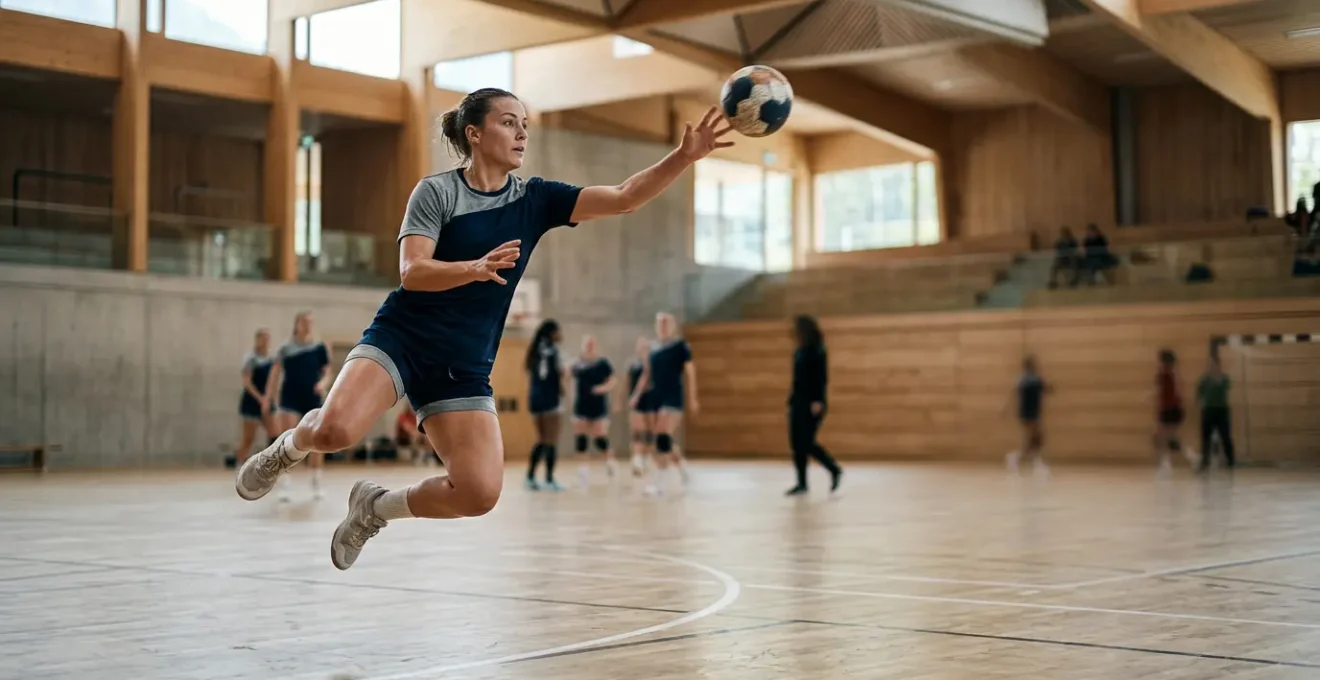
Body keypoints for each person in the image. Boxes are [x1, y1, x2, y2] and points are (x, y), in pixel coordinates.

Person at [235, 87, 735, 571]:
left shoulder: (536, 199)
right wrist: (472, 269)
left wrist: (683, 157)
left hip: (464, 363)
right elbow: (413, 271)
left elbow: (625, 197)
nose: (521, 134)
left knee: (479, 493)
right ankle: (285, 450)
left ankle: (374, 509)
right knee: (333, 430)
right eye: (508, 122)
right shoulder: (436, 192)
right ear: (474, 134)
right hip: (403, 338)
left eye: (525, 125)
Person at [265, 311, 331, 501]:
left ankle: (316, 481)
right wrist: (268, 398)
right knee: (289, 441)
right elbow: (274, 374)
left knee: (317, 440)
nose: (307, 325)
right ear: (297, 324)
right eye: (304, 322)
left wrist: (323, 384)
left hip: (312, 397)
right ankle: (285, 484)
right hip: (290, 398)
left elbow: (327, 372)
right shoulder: (285, 348)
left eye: (310, 322)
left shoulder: (319, 348)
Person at [631, 312, 698, 496]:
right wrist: (637, 395)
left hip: (673, 397)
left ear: (673, 326)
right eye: (660, 323)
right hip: (656, 397)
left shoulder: (680, 347)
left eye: (666, 323)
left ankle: (660, 483)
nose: (663, 326)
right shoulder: (653, 348)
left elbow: (690, 372)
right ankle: (683, 468)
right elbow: (647, 373)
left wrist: (692, 397)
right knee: (664, 439)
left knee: (661, 436)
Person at [784, 315, 842, 496]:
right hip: (798, 401)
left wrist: (818, 400)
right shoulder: (799, 350)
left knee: (806, 442)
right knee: (796, 443)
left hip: (812, 402)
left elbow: (821, 378)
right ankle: (801, 483)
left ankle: (833, 468)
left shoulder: (817, 350)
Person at [525, 319, 566, 491]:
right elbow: (558, 374)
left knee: (541, 439)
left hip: (535, 400)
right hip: (550, 400)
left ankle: (530, 477)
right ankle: (549, 479)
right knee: (551, 440)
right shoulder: (553, 350)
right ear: (552, 332)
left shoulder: (534, 350)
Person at [571, 334, 617, 486]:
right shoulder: (578, 364)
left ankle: (610, 462)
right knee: (581, 437)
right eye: (587, 344)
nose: (589, 347)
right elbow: (567, 376)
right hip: (581, 405)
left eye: (592, 344)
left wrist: (603, 388)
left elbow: (613, 380)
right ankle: (583, 471)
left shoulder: (603, 364)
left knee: (599, 438)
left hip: (598, 405)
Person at [235, 329, 278, 465]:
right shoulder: (251, 358)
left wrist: (268, 398)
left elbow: (272, 382)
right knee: (249, 438)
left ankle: (271, 466)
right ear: (257, 340)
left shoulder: (271, 359)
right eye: (263, 338)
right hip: (252, 401)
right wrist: (260, 398)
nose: (265, 342)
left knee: (274, 435)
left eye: (267, 338)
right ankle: (240, 463)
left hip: (266, 401)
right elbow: (247, 382)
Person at [1154, 349, 1198, 475]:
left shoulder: (1164, 373)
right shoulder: (1174, 373)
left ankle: (1171, 464)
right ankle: (1189, 458)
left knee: (1164, 438)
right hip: (1174, 408)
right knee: (1168, 438)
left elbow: (1162, 391)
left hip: (1169, 408)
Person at [1005, 355, 1050, 477]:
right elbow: (1014, 393)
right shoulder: (1024, 379)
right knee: (1033, 436)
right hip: (1027, 412)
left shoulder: (1035, 378)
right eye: (1033, 364)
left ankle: (1023, 459)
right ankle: (1020, 459)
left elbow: (1044, 388)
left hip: (1034, 411)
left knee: (1036, 438)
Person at [1196, 356, 1235, 471]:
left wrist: (1217, 380)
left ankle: (1230, 461)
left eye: (1214, 365)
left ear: (1218, 366)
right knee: (1206, 437)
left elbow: (1227, 386)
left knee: (1225, 436)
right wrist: (1200, 402)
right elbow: (1199, 391)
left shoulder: (1224, 378)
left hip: (1221, 410)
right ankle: (1205, 462)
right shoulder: (1204, 379)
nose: (1212, 367)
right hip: (1208, 410)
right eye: (1210, 365)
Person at [627, 336, 656, 477]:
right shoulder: (633, 364)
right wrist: (627, 398)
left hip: (650, 399)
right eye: (640, 346)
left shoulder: (653, 363)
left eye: (644, 346)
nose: (642, 348)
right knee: (637, 430)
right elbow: (628, 381)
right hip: (637, 401)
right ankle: (637, 459)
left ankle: (647, 458)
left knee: (649, 432)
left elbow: (648, 380)